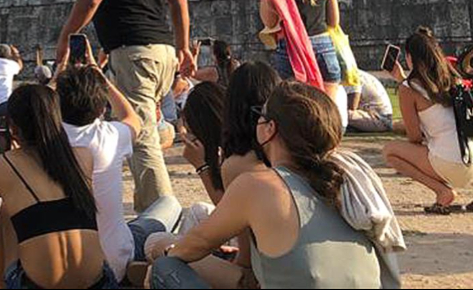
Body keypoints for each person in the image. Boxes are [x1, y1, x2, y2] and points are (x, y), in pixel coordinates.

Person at [150, 81, 397, 290]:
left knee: (164, 264)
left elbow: (197, 244)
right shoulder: (344, 176)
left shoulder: (258, 184)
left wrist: (165, 256)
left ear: (270, 129)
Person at [56, 0, 191, 210]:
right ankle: (152, 200)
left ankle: (161, 214)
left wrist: (67, 35)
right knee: (149, 125)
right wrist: (184, 46)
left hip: (135, 52)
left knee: (141, 137)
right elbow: (180, 1)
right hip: (163, 51)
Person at [0, 83, 115, 289]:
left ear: (13, 127)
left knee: (8, 207)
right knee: (19, 205)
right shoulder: (82, 156)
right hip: (97, 283)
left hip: (35, 284)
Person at [57, 51, 179, 281]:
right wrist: (102, 79)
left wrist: (62, 69)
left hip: (60, 263)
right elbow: (132, 118)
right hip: (115, 257)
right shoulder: (109, 135)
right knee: (169, 203)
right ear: (102, 108)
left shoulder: (45, 141)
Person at [384, 29, 473, 213]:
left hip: (458, 164)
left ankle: (442, 192)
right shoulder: (454, 76)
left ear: (409, 57)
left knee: (391, 152)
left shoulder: (409, 88)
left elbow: (414, 137)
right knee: (465, 132)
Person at [346, 68, 394, 133]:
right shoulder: (357, 74)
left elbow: (352, 107)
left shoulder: (352, 76)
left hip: (380, 119)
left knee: (341, 114)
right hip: (381, 117)